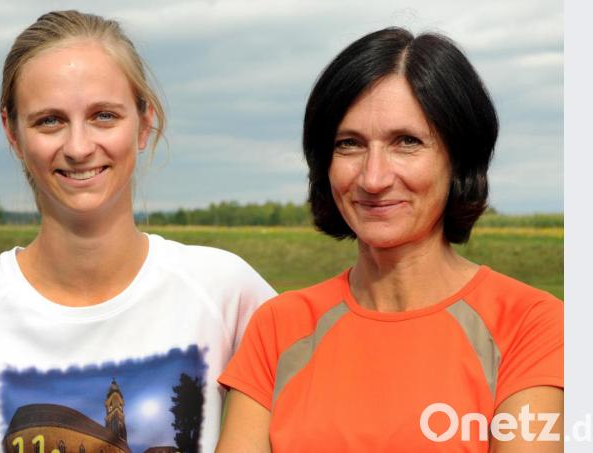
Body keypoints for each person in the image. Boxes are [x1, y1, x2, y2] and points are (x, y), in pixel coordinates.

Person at [0, 10, 275, 453]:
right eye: (49, 120)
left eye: (104, 115)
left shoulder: (226, 290)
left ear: (144, 123)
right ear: (13, 134)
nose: (79, 147)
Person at [217, 27, 563, 452]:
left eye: (407, 142)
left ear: (458, 160)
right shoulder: (277, 327)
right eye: (349, 145)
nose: (374, 178)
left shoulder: (531, 325)